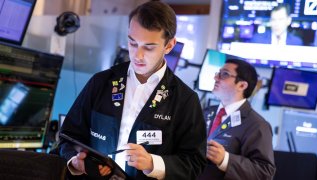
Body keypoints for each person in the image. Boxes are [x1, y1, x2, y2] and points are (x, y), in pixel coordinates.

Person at [57, 1, 207, 180]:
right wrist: (74, 160)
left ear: (169, 45)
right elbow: (68, 137)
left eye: (149, 47)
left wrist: (153, 163)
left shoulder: (185, 100)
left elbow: (194, 163)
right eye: (133, 43)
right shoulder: (101, 82)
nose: (138, 55)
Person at [197, 59, 276, 180]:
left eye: (224, 74)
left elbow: (264, 172)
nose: (216, 78)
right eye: (218, 73)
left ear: (242, 85)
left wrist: (225, 160)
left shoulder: (257, 125)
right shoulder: (206, 112)